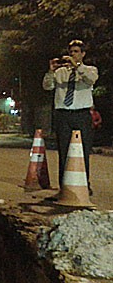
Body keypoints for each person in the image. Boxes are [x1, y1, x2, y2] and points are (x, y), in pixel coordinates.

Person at [42, 39, 99, 196]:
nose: (72, 55)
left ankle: (84, 184)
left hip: (81, 114)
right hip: (63, 114)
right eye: (71, 52)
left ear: (82, 54)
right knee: (64, 150)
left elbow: (90, 80)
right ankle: (64, 186)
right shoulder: (61, 72)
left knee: (83, 150)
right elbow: (47, 86)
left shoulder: (89, 69)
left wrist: (77, 66)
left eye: (76, 52)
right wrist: (51, 71)